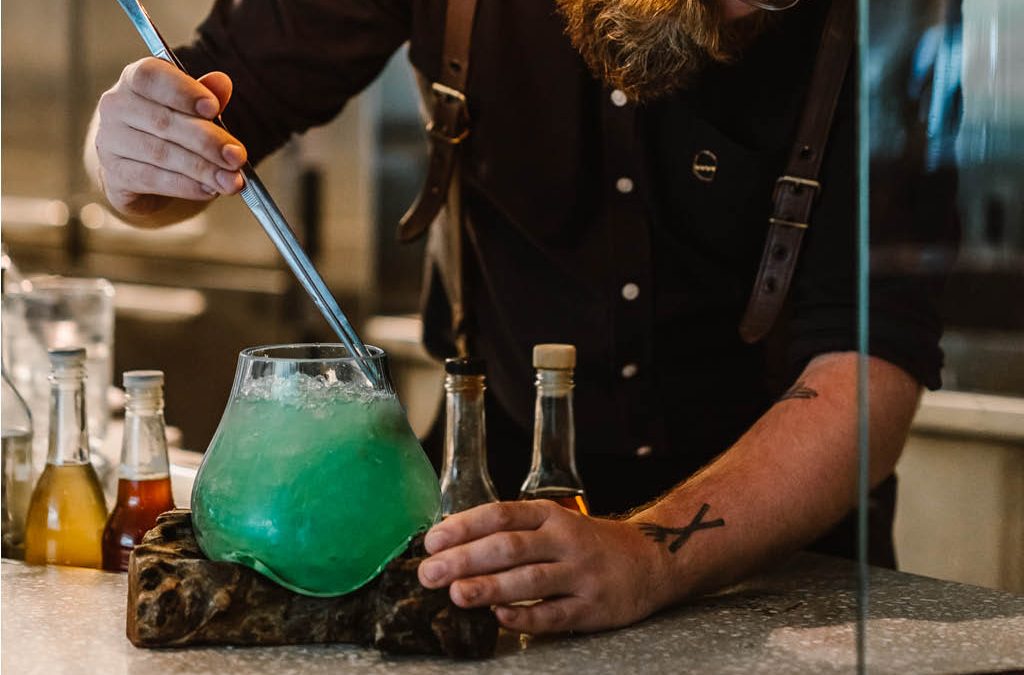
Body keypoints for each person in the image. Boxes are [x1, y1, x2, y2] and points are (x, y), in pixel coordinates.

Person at [86, 0, 958, 634]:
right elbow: (194, 125)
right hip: (482, 540)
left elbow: (867, 368)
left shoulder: (892, 21)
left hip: (781, 578)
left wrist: (652, 553)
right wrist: (125, 151)